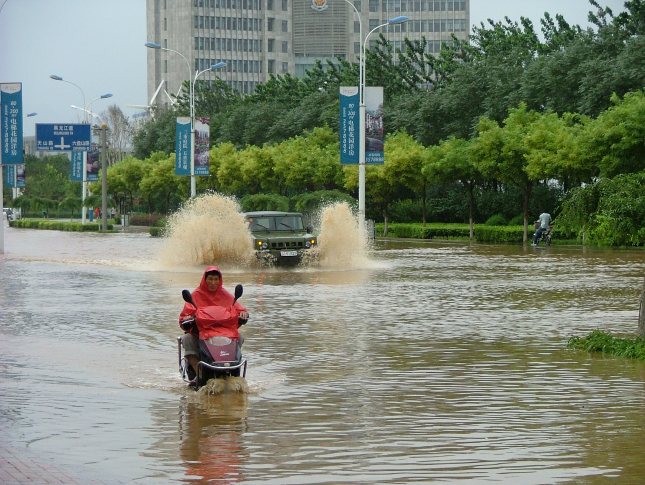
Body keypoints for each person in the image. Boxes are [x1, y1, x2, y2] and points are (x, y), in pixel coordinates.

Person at [178, 266, 249, 379]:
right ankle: (198, 374)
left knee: (239, 337)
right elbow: (185, 315)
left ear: (220, 280)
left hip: (224, 333)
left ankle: (233, 366)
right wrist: (187, 318)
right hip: (200, 334)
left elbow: (238, 309)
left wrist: (243, 314)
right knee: (187, 339)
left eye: (216, 279)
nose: (213, 282)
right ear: (204, 280)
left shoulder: (226, 295)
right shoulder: (195, 295)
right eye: (210, 279)